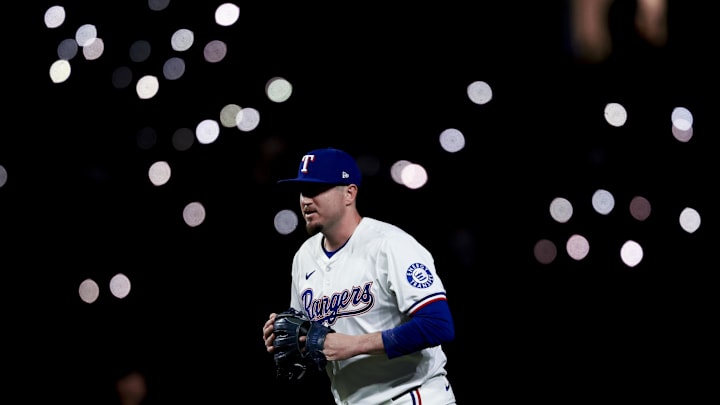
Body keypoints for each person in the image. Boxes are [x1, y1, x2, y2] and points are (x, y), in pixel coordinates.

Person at [262, 147, 457, 404]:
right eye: (302, 191)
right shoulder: (303, 256)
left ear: (349, 193)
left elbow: (438, 325)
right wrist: (286, 339)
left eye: (316, 189)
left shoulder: (391, 244)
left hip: (411, 395)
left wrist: (353, 345)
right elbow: (313, 340)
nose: (305, 200)